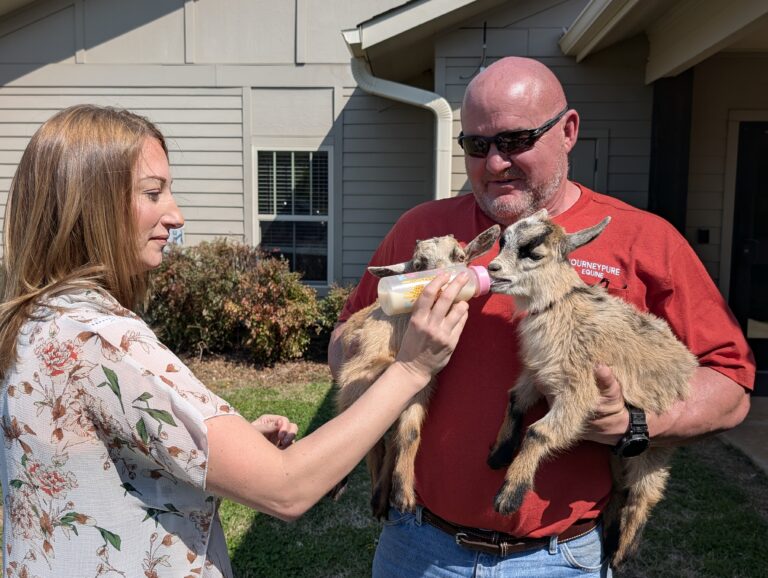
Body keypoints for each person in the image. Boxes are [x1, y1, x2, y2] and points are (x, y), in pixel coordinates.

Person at [0, 104, 471, 577]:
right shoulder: (103, 341)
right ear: (91, 205)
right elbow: (287, 488)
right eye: (152, 192)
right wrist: (412, 367)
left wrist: (230, 448)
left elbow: (99, 468)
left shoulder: (41, 321)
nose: (176, 214)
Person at [329, 56, 755, 577]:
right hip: (418, 545)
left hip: (556, 559)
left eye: (514, 141)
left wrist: (635, 424)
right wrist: (377, 357)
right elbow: (347, 338)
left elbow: (730, 385)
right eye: (476, 145)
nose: (493, 164)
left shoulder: (646, 240)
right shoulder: (424, 230)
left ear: (568, 130)